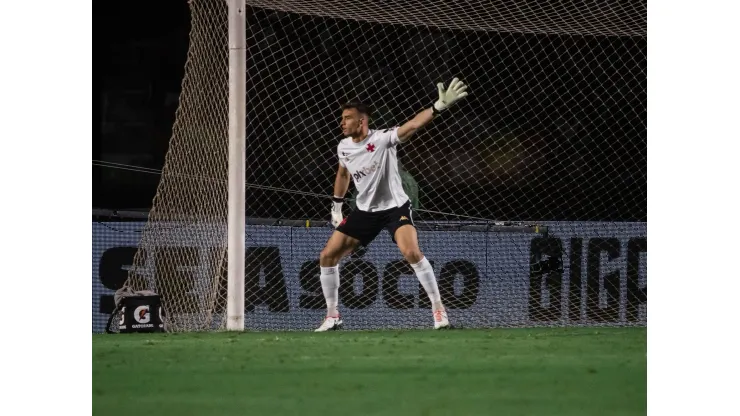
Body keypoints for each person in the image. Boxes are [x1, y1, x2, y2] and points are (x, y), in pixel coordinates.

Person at [315, 78, 469, 331]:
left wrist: (437, 107)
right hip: (364, 211)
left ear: (361, 121)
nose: (341, 123)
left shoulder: (383, 139)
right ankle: (332, 316)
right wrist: (337, 206)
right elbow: (343, 174)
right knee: (327, 256)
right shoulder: (343, 146)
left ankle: (439, 310)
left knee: (411, 253)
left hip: (394, 208)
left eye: (347, 118)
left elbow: (411, 126)